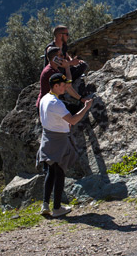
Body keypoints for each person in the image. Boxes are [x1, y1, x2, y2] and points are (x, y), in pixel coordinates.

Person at [37, 73, 93, 217]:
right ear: (56, 86)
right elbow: (73, 120)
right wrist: (86, 107)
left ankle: (45, 204)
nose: (66, 87)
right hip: (59, 141)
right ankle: (56, 208)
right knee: (60, 173)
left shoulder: (44, 98)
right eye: (63, 85)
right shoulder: (56, 103)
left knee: (51, 172)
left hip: (47, 138)